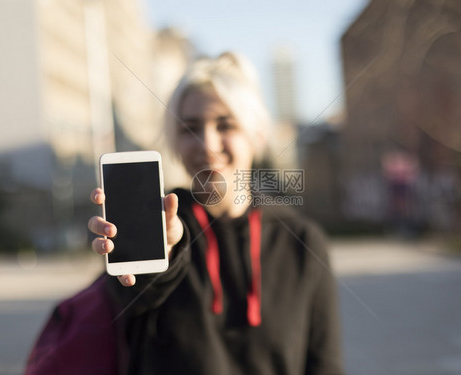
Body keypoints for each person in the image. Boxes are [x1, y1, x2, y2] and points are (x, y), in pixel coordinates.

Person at [26, 52, 344, 375]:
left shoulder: (303, 242)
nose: (206, 143)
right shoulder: (163, 222)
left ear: (257, 135)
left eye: (225, 124)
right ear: (175, 143)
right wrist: (161, 255)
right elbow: (131, 295)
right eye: (189, 128)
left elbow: (326, 365)